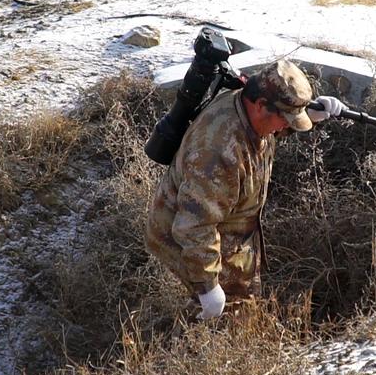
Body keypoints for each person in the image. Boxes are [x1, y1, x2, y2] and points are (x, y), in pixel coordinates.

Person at [146, 59, 346, 320]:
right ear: (261, 104)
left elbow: (268, 131)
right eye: (285, 119)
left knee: (240, 305)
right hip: (186, 241)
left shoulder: (249, 107)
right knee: (223, 314)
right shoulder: (218, 152)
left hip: (226, 228)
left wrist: (310, 116)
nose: (286, 126)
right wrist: (208, 287)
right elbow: (194, 226)